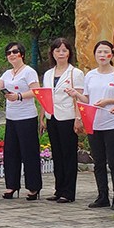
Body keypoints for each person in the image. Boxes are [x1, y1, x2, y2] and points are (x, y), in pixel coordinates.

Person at [69, 40, 114, 211]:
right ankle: (102, 195)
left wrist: (109, 102)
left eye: (106, 52)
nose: (102, 55)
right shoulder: (90, 75)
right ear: (95, 55)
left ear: (112, 54)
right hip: (94, 124)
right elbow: (87, 100)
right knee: (99, 162)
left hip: (112, 123)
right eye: (99, 52)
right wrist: (76, 95)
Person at [0, 43, 42, 200]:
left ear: (22, 54)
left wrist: (19, 96)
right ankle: (11, 185)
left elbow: (36, 91)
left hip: (27, 117)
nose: (11, 55)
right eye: (8, 53)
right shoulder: (7, 73)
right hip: (11, 117)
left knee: (29, 153)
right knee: (11, 152)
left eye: (15, 52)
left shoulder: (29, 71)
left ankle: (33, 187)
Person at [42, 38, 84, 204]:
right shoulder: (48, 73)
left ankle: (68, 192)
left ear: (69, 53)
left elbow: (79, 99)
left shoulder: (76, 73)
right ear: (52, 53)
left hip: (68, 117)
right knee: (57, 155)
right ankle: (59, 189)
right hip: (51, 116)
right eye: (57, 50)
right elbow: (45, 96)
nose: (61, 53)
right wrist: (42, 118)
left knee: (68, 155)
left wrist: (78, 118)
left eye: (64, 50)